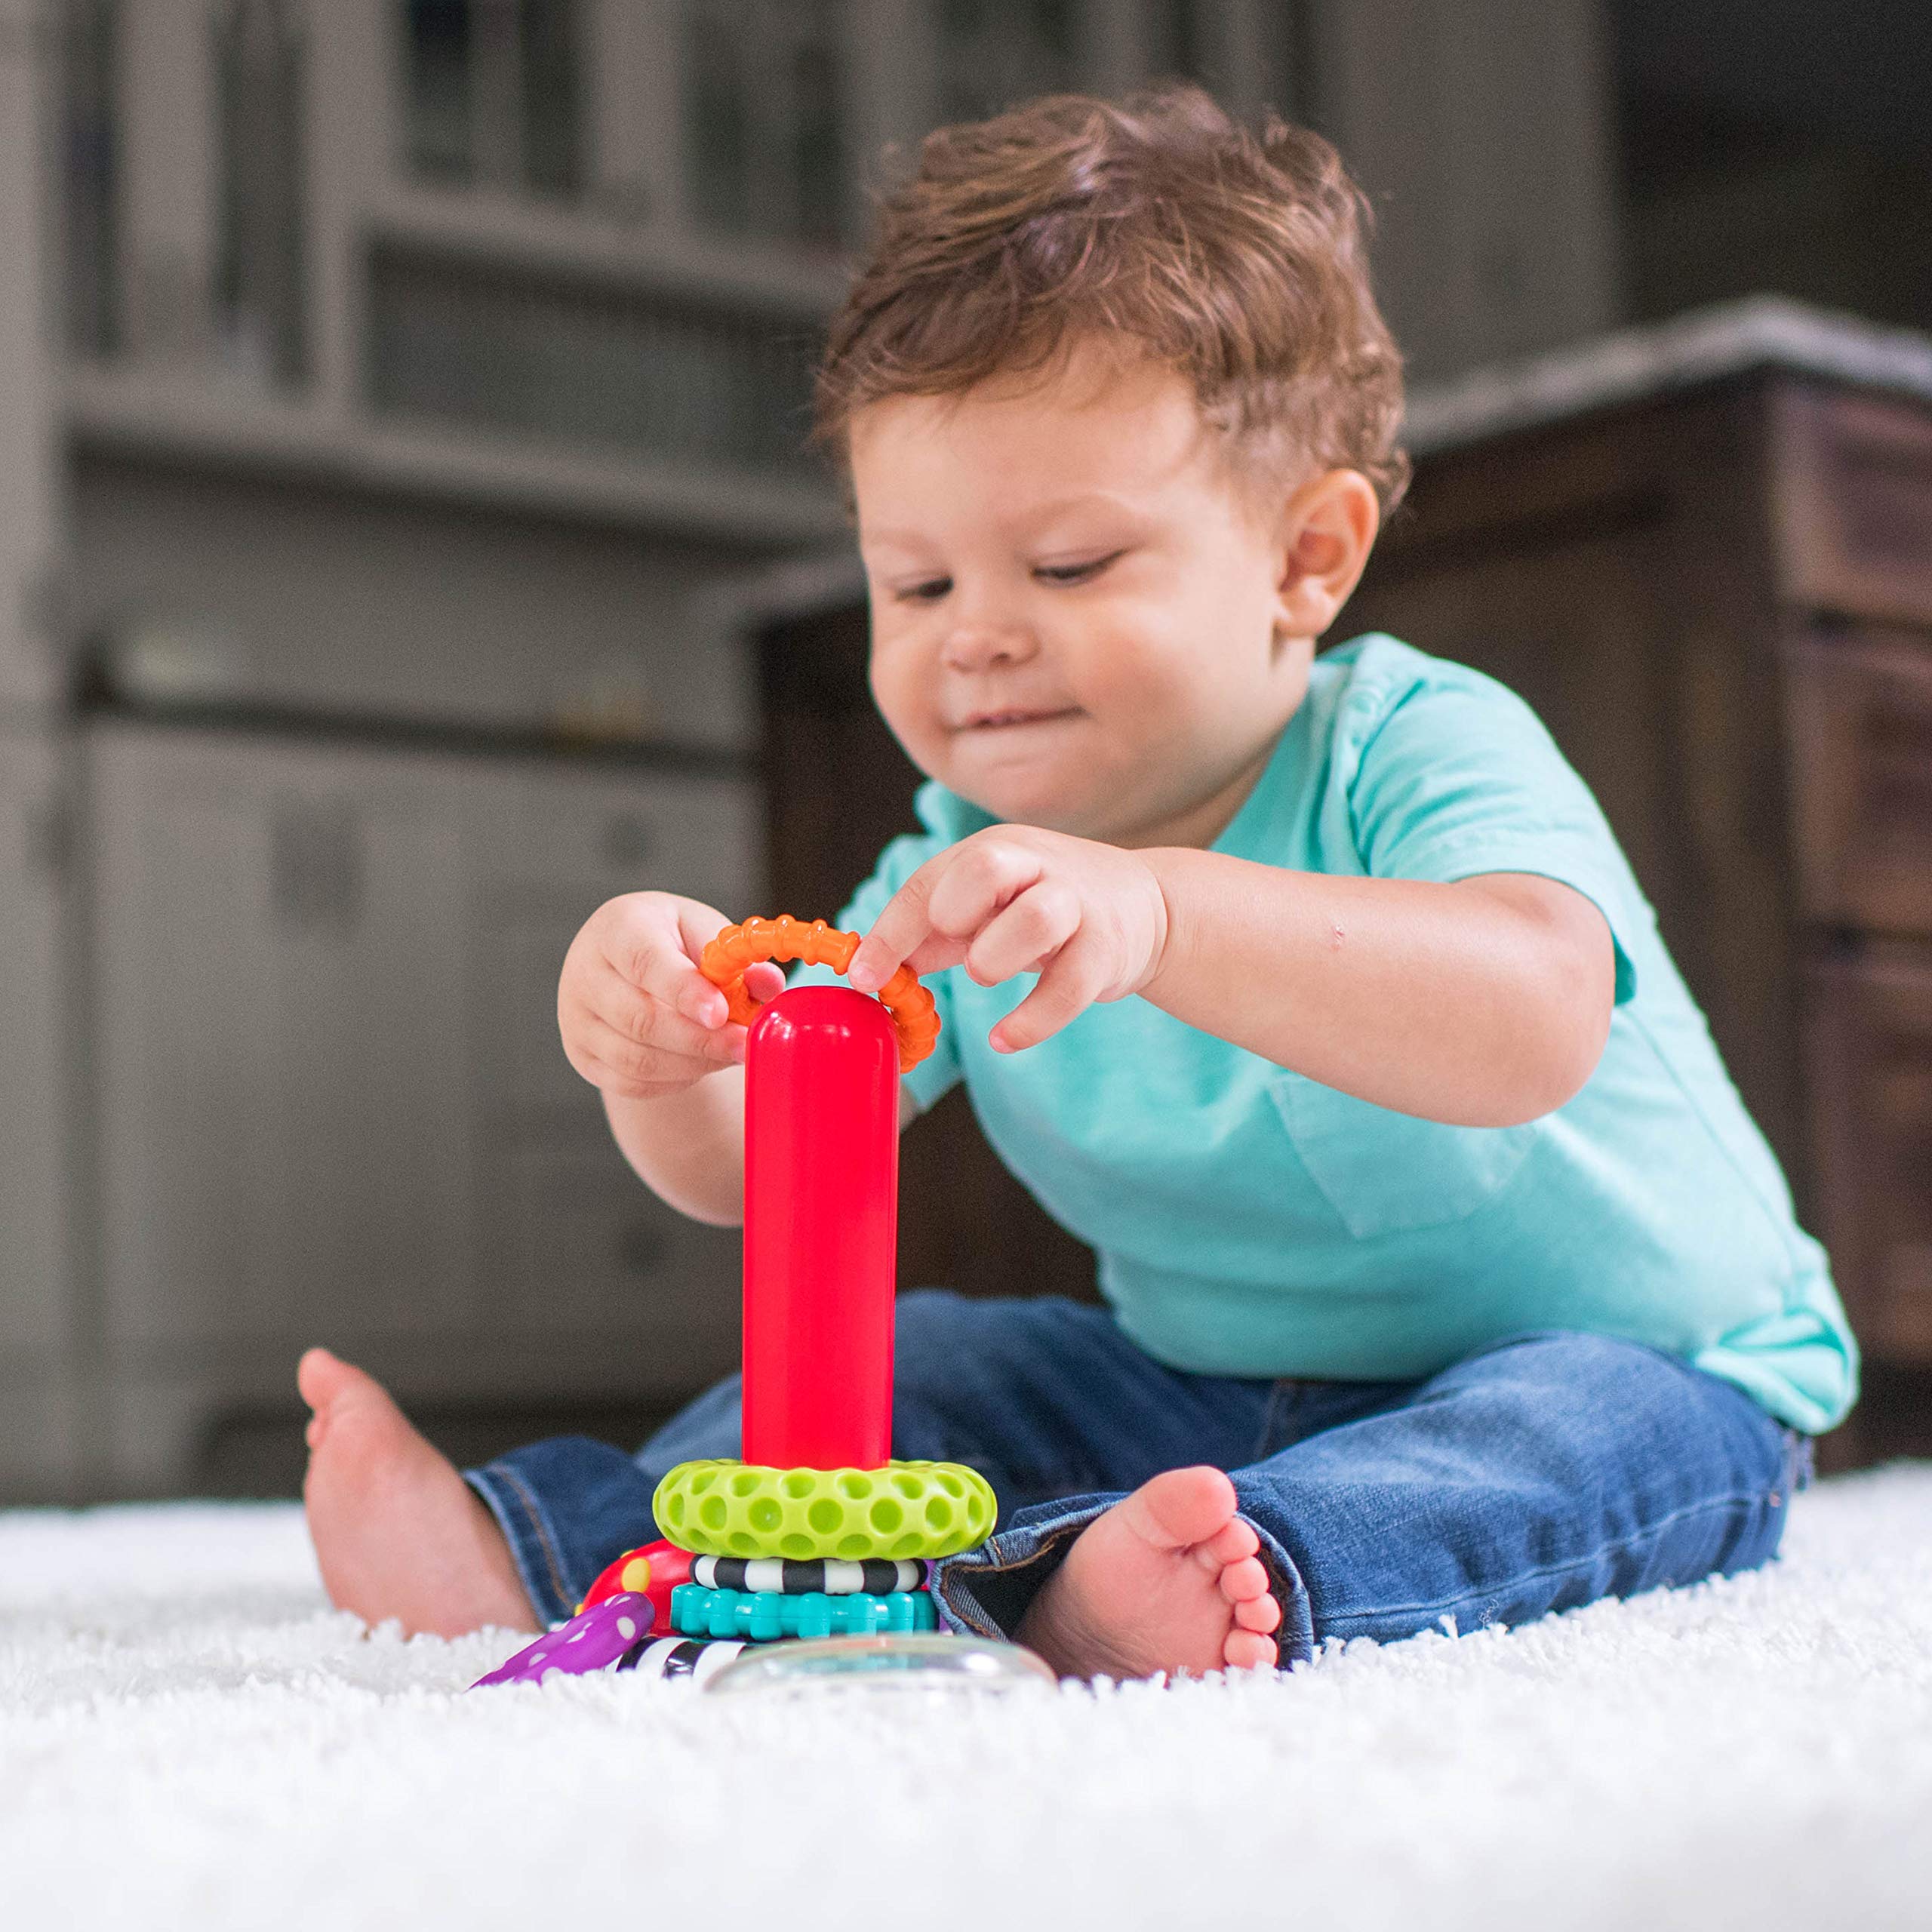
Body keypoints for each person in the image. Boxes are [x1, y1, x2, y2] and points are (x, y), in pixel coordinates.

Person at [299, 85, 1854, 1680]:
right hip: (1194, 1382)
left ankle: (1231, 1571)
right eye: (914, 580)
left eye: (1066, 566)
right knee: (925, 1356)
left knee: (1567, 1437)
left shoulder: (1414, 737)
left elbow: (1529, 1018)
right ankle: (559, 1544)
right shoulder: (948, 863)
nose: (973, 631)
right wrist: (658, 1051)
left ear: (1303, 558)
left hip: (1640, 1359)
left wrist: (1162, 913)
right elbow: (766, 1174)